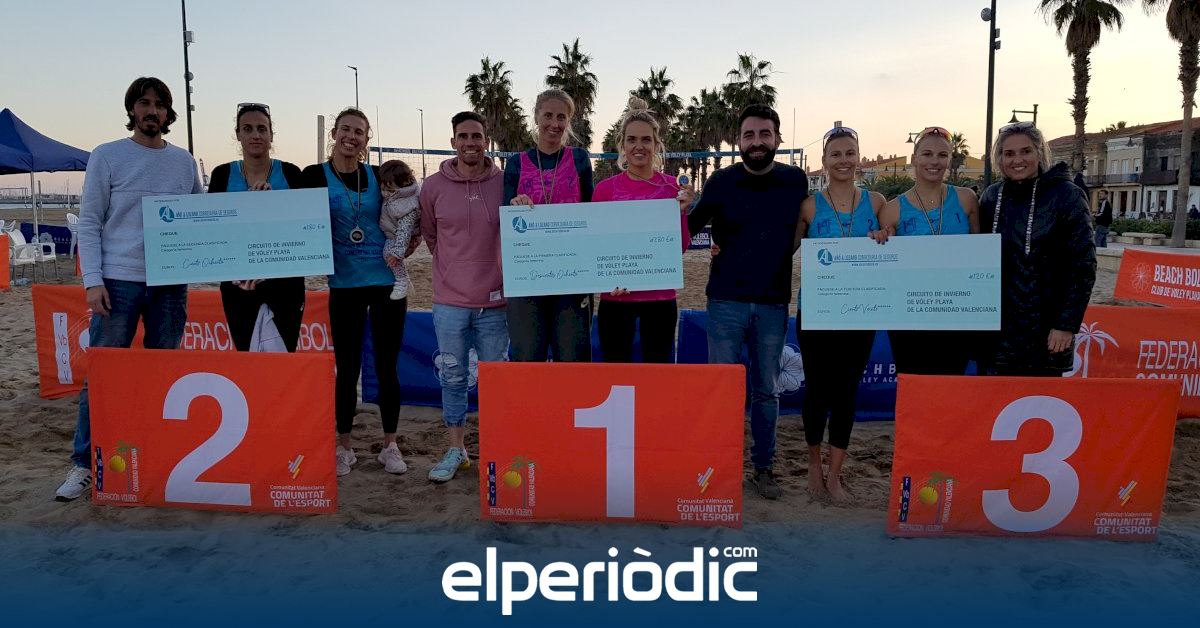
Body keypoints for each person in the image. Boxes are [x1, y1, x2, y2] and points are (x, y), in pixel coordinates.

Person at [56, 77, 204, 501]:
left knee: (163, 376)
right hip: (118, 282)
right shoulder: (107, 155)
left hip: (170, 284)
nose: (151, 111)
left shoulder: (184, 162)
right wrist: (93, 281)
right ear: (132, 109)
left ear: (168, 113)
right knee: (103, 377)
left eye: (159, 104)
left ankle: (154, 456)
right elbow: (89, 221)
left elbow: (203, 217)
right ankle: (84, 464)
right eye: (144, 103)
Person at [688, 104, 808, 500]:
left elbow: (813, 224)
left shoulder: (795, 180)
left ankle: (763, 468)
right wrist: (676, 207)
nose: (757, 142)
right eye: (749, 135)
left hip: (773, 303)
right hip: (725, 302)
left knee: (766, 392)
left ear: (777, 138)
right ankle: (720, 468)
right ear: (738, 141)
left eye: (764, 134)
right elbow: (687, 227)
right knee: (722, 391)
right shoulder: (721, 181)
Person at [302, 108, 411, 476]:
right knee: (347, 369)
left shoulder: (379, 176)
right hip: (344, 285)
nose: (351, 136)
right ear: (334, 133)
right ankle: (344, 447)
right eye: (345, 129)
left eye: (359, 132)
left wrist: (409, 242)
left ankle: (390, 445)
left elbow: (409, 210)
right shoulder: (313, 176)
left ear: (367, 139)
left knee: (386, 366)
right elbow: (287, 217)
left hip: (385, 282)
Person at [795, 126, 885, 504]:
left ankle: (835, 475)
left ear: (859, 158)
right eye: (836, 154)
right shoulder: (809, 206)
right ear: (824, 161)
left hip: (860, 313)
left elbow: (897, 245)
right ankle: (813, 465)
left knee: (846, 392)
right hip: (817, 311)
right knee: (817, 390)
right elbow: (781, 249)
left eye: (850, 153)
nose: (844, 160)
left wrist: (884, 236)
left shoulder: (877, 202)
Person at [419, 111, 508, 483]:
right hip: (450, 302)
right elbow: (431, 235)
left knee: (497, 381)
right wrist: (455, 269)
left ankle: (497, 447)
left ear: (486, 141)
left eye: (477, 136)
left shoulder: (504, 182)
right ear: (453, 141)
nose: (470, 142)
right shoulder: (432, 186)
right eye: (463, 136)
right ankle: (456, 448)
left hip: (496, 303)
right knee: (453, 377)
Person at [979, 122, 1095, 376]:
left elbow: (1083, 266)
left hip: (1047, 335)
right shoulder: (991, 197)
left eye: (1026, 151)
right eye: (1009, 153)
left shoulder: (1067, 195)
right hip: (997, 337)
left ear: (1039, 153)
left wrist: (1066, 325)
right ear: (999, 159)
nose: (1017, 160)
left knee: (1038, 400)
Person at [593, 97, 694, 363]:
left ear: (656, 144)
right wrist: (606, 280)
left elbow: (681, 247)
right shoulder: (605, 190)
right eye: (632, 139)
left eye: (646, 140)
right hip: (616, 297)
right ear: (622, 145)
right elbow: (596, 248)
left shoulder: (673, 188)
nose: (639, 146)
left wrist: (682, 212)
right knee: (616, 376)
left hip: (659, 297)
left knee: (657, 377)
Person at [876, 126, 980, 375]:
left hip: (957, 313)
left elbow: (980, 253)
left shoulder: (966, 199)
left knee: (951, 384)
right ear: (914, 158)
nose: (935, 161)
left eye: (942, 155)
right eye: (927, 154)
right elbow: (886, 265)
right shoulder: (892, 209)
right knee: (914, 384)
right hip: (909, 316)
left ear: (950, 160)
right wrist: (879, 240)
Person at [503, 89, 595, 362]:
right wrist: (515, 207)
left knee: (573, 361)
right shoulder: (516, 163)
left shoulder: (579, 158)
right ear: (536, 117)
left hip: (573, 275)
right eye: (548, 116)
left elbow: (591, 213)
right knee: (528, 360)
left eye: (561, 117)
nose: (554, 123)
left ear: (568, 121)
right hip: (528, 276)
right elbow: (504, 217)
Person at [209, 103, 307, 352]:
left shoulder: (291, 173)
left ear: (271, 134)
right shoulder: (222, 174)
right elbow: (214, 233)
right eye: (248, 129)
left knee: (283, 359)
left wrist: (273, 206)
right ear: (238, 134)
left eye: (262, 129)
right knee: (249, 361)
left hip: (285, 284)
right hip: (238, 284)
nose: (256, 135)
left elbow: (303, 230)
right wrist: (234, 273)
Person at [379, 160, 421, 300]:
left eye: (389, 187)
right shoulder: (395, 194)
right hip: (394, 232)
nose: (384, 189)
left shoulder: (408, 206)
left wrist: (397, 253)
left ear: (402, 184)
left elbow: (405, 231)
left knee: (388, 253)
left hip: (400, 237)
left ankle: (402, 280)